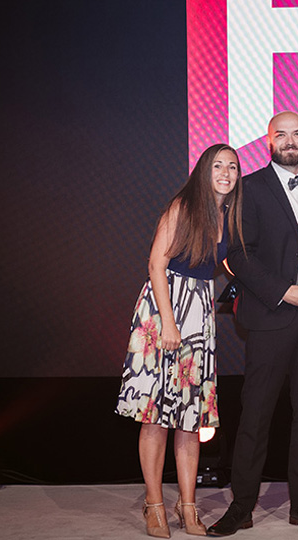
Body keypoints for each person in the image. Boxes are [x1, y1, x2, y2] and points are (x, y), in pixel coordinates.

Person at [207, 111, 298, 536]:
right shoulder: (252, 187)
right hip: (271, 316)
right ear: (269, 141)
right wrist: (284, 289)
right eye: (281, 134)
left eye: (297, 133)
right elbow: (238, 256)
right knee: (256, 415)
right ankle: (241, 507)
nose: (290, 140)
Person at [116, 143, 244, 538]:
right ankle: (154, 504)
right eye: (218, 165)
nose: (226, 172)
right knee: (155, 415)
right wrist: (169, 324)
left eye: (233, 166)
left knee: (191, 418)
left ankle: (187, 506)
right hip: (165, 309)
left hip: (200, 313)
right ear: (204, 170)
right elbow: (157, 263)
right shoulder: (184, 207)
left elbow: (227, 264)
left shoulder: (228, 214)